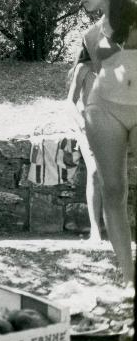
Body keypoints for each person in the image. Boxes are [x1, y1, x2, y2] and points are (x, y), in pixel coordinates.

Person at [71, 0, 137, 285]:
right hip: (103, 111)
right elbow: (96, 73)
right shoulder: (90, 35)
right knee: (113, 191)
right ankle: (130, 279)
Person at [66, 60, 103, 241]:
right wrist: (82, 124)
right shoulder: (84, 69)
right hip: (85, 125)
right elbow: (69, 103)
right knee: (95, 171)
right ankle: (95, 230)